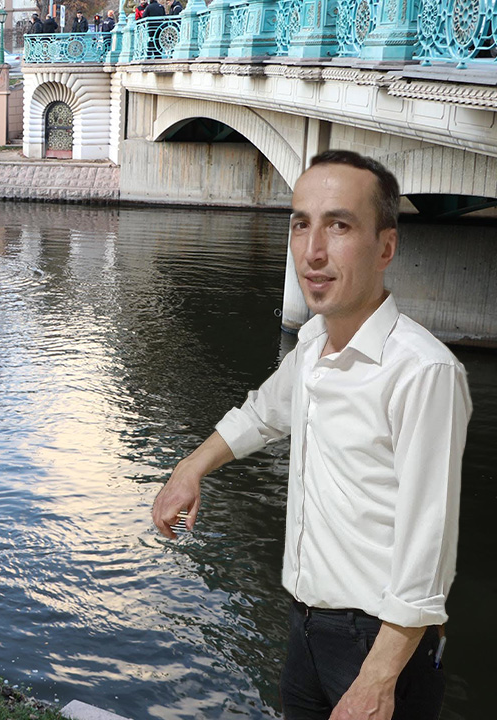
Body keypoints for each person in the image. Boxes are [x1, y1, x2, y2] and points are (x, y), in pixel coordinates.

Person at [151, 151, 470, 720]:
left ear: (386, 247)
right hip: (305, 627)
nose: (312, 252)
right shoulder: (315, 344)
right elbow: (264, 414)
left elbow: (430, 548)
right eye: (302, 224)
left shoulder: (423, 372)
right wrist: (189, 469)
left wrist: (377, 679)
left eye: (339, 226)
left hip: (379, 646)